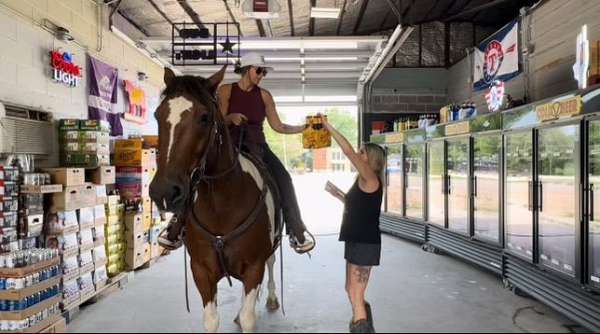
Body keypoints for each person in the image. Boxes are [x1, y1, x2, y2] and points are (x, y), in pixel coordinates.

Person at [159, 52, 315, 254]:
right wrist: (230, 118)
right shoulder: (225, 91)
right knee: (196, 176)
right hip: (227, 146)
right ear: (247, 69)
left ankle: (296, 230)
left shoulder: (265, 96)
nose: (262, 75)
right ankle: (177, 225)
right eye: (259, 70)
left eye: (264, 72)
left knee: (284, 178)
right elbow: (213, 121)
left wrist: (304, 128)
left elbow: (279, 126)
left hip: (258, 147)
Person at [321, 114, 385, 334]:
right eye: (359, 152)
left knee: (356, 295)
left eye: (362, 153)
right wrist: (337, 193)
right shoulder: (363, 180)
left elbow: (347, 151)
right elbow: (356, 205)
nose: (357, 155)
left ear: (370, 159)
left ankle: (362, 328)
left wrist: (328, 126)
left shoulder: (371, 177)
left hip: (365, 243)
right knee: (350, 289)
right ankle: (365, 326)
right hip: (355, 240)